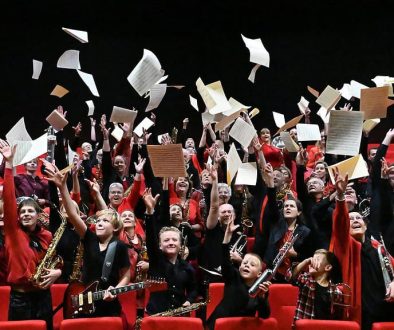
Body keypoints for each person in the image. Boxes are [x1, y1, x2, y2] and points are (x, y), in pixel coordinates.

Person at [45, 165, 131, 319]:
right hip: (84, 301)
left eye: (105, 221)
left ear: (115, 227)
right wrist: (63, 187)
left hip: (108, 304)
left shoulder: (120, 246)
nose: (99, 223)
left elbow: (126, 275)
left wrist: (116, 290)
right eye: (98, 220)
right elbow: (72, 213)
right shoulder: (89, 238)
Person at [0, 140, 60, 330]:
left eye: (30, 211)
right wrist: (9, 164)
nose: (25, 214)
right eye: (22, 211)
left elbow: (57, 260)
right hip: (19, 298)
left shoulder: (48, 236)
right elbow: (9, 198)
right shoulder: (13, 232)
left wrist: (58, 271)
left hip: (43, 296)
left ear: (38, 214)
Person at [330, 167, 394, 330]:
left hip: (386, 310)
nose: (356, 220)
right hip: (360, 313)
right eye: (351, 219)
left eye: (359, 218)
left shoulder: (378, 247)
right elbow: (340, 223)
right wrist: (340, 196)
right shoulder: (345, 246)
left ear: (366, 226)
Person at [206, 218, 271, 330]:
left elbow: (264, 316)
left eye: (252, 264)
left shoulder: (260, 288)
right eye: (244, 263)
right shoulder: (233, 276)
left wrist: (262, 297)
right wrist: (227, 238)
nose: (246, 265)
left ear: (260, 273)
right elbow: (225, 262)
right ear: (239, 266)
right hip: (219, 326)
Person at [142, 187, 198, 315]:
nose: (171, 242)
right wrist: (150, 212)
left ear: (180, 245)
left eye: (174, 240)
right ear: (160, 246)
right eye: (166, 240)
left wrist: (189, 300)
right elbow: (151, 239)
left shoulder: (187, 267)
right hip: (157, 318)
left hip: (180, 316)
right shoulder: (156, 261)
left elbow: (193, 289)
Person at [286, 249, 342, 326]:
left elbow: (336, 318)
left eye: (317, 259)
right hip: (304, 327)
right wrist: (306, 261)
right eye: (312, 258)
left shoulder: (336, 292)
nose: (312, 261)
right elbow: (290, 275)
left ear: (328, 267)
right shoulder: (305, 280)